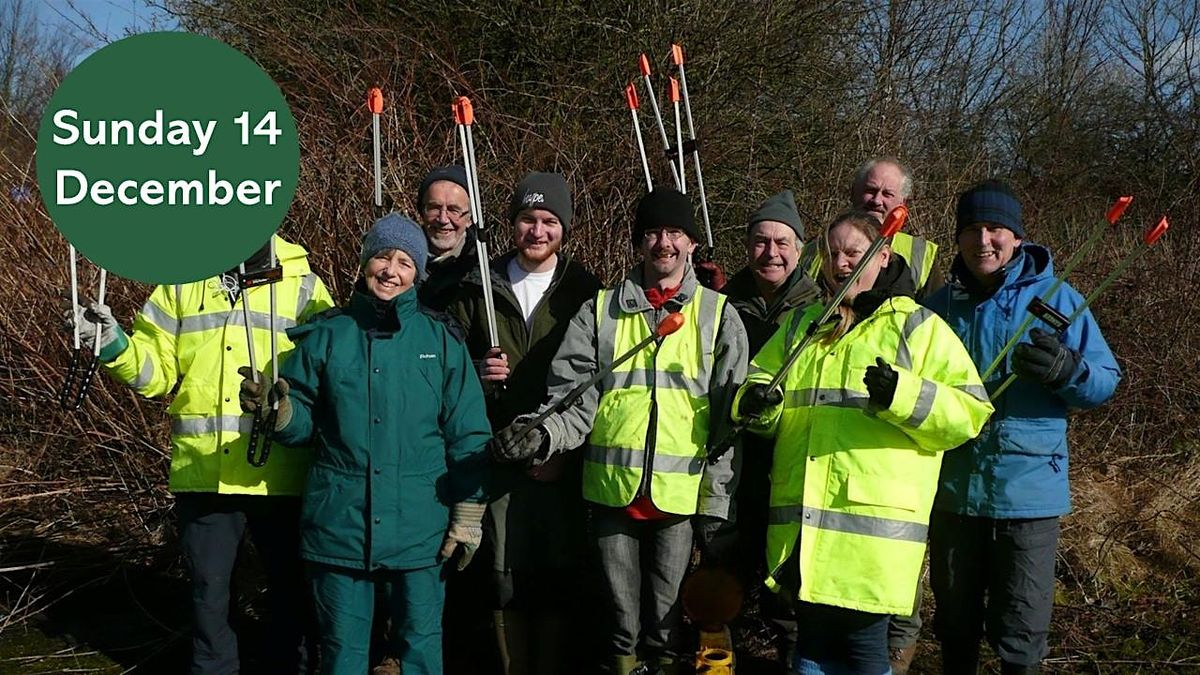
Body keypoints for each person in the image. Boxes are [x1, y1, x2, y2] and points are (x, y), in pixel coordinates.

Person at [493, 188, 748, 675]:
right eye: (652, 232)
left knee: (668, 622)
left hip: (679, 500)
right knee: (619, 622)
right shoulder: (600, 310)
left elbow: (728, 426)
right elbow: (571, 399)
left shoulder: (719, 316)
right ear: (638, 242)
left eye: (674, 232)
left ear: (692, 243)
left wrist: (717, 506)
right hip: (612, 496)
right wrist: (540, 434)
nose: (663, 243)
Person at [733, 209, 993, 674]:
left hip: (871, 539)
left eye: (854, 251)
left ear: (883, 256)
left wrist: (903, 395)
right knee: (809, 649)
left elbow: (970, 413)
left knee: (863, 653)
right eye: (833, 253)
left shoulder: (916, 327)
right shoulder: (802, 327)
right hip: (802, 529)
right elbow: (761, 385)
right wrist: (755, 403)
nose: (841, 263)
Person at [69, 235, 334, 674]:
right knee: (209, 599)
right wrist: (113, 343)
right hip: (204, 471)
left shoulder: (304, 282)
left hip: (280, 475)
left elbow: (327, 370)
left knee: (291, 595)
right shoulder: (181, 280)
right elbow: (156, 372)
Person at [240, 213, 492, 675]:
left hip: (422, 529)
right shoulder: (327, 336)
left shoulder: (441, 341)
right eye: (381, 257)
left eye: (404, 262)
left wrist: (469, 514)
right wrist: (278, 414)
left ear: (418, 272)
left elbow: (469, 433)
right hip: (339, 527)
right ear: (364, 263)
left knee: (420, 650)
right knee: (341, 656)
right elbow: (301, 425)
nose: (391, 270)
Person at [924, 181, 1120, 674]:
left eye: (995, 229)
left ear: (1016, 237)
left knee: (1021, 631)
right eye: (972, 229)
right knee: (954, 623)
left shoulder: (1060, 298)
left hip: (1029, 494)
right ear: (959, 237)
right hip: (951, 490)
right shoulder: (939, 306)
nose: (983, 240)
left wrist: (1066, 371)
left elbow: (1104, 381)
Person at [448, 171, 602, 674]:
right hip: (494, 455)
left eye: (549, 221)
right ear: (512, 224)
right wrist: (477, 371)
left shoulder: (586, 291)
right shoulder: (480, 286)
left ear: (565, 228)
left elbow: (596, 382)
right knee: (501, 576)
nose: (537, 231)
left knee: (555, 575)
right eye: (527, 219)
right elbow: (445, 368)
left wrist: (562, 454)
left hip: (559, 458)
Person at [720, 189, 821, 665]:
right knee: (726, 572)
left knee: (789, 583)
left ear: (800, 250)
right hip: (733, 465)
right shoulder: (721, 303)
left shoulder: (821, 308)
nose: (771, 252)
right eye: (761, 242)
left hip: (792, 463)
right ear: (747, 246)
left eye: (782, 243)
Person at [415, 165, 478, 310]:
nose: (443, 219)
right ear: (421, 212)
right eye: (434, 208)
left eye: (453, 210)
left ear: (470, 218)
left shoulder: (482, 274)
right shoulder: (399, 266)